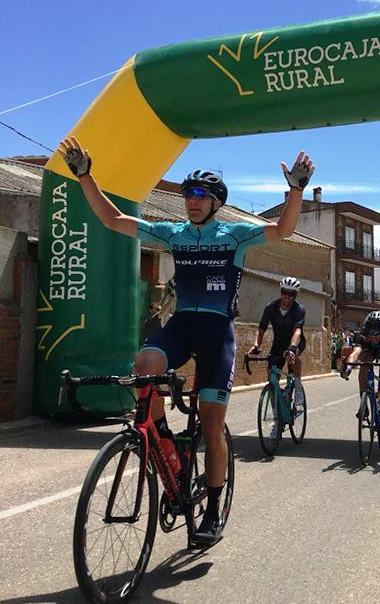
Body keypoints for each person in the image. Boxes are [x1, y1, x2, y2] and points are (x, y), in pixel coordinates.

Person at [59, 136, 314, 544]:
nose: (191, 201)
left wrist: (296, 190)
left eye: (200, 195)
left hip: (216, 334)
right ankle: (162, 441)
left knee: (212, 429)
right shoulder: (174, 233)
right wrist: (86, 177)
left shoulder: (235, 237)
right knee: (144, 365)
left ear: (215, 201)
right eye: (187, 194)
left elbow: (283, 229)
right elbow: (113, 220)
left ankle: (212, 509)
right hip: (181, 326)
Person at [248, 276, 307, 418]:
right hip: (278, 344)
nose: (287, 297)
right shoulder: (271, 308)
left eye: (291, 294)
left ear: (295, 296)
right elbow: (261, 329)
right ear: (281, 292)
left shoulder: (299, 309)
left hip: (296, 341)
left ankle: (297, 387)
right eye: (284, 292)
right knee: (272, 380)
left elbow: (297, 330)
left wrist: (292, 348)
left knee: (294, 355)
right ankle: (277, 418)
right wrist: (256, 345)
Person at [341, 311, 380, 437]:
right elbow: (355, 354)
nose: (374, 338)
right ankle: (364, 406)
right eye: (371, 335)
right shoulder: (362, 334)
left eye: (376, 335)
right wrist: (347, 368)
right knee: (364, 364)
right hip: (370, 348)